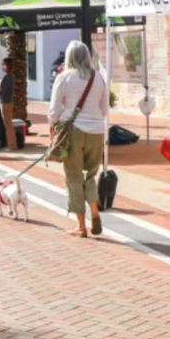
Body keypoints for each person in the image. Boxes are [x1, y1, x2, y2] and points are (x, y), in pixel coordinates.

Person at [48, 41, 109, 238]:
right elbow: (105, 108)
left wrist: (53, 126)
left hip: (73, 130)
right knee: (91, 175)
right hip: (97, 130)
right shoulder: (98, 77)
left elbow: (54, 109)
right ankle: (95, 211)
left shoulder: (64, 77)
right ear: (87, 57)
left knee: (73, 176)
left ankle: (81, 226)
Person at [0, 57, 20, 150]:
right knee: (7, 123)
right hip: (6, 101)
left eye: (4, 64)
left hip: (6, 102)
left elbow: (5, 90)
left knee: (8, 123)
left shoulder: (9, 77)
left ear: (8, 65)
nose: (2, 66)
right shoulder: (8, 76)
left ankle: (12, 145)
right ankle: (11, 144)